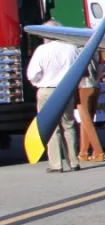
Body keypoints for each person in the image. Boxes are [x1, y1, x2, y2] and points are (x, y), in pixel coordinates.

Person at [25, 20, 82, 172]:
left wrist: (39, 81)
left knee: (51, 127)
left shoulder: (42, 50)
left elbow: (32, 74)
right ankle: (73, 161)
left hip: (47, 89)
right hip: (66, 89)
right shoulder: (72, 48)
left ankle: (56, 164)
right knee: (68, 125)